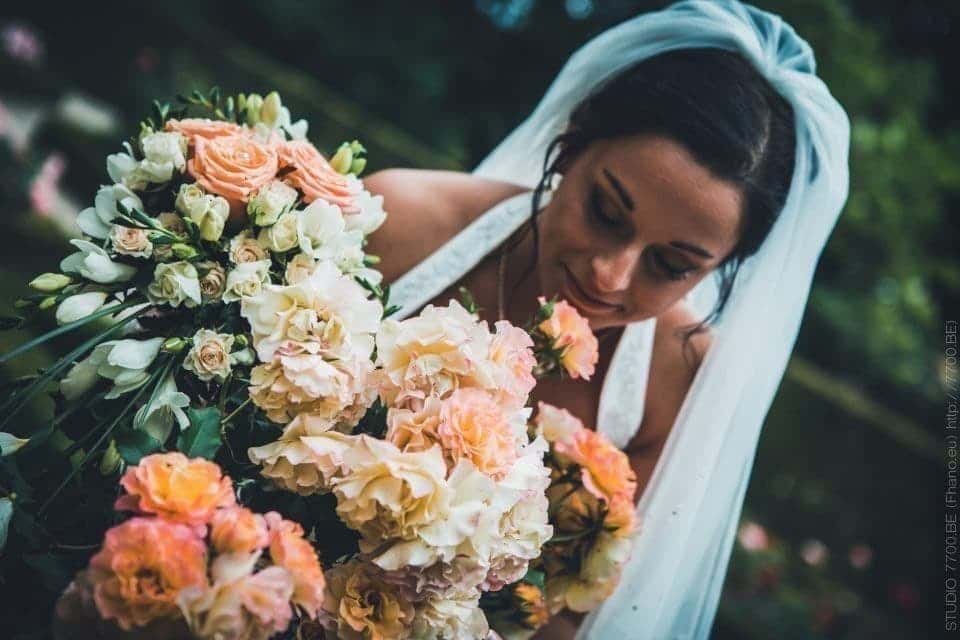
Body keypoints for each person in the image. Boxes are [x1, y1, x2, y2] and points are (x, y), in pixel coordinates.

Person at [364, 1, 851, 638]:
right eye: (605, 211)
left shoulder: (678, 383)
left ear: (720, 269)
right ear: (574, 141)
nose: (610, 276)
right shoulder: (400, 221)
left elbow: (571, 621)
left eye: (671, 264)